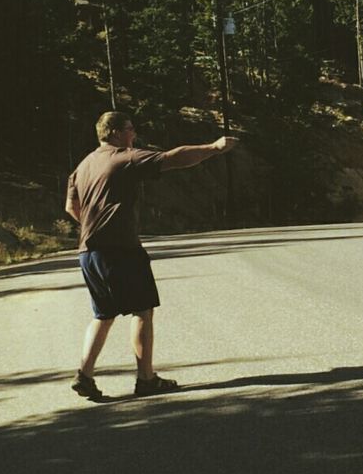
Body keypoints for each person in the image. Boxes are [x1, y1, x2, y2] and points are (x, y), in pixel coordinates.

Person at [65, 111, 238, 400]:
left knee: (103, 314)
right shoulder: (125, 157)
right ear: (117, 133)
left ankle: (85, 375)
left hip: (89, 252)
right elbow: (172, 158)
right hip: (120, 249)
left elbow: (71, 206)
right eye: (131, 129)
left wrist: (93, 225)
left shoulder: (83, 166)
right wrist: (214, 148)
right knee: (142, 310)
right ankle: (146, 379)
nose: (134, 134)